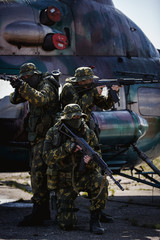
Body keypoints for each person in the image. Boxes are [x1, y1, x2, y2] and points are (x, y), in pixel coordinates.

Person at [43, 103, 109, 234]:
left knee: (101, 181)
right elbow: (47, 157)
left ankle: (95, 220)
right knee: (67, 225)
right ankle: (60, 206)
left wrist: (89, 162)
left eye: (79, 117)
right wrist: (66, 148)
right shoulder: (54, 132)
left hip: (84, 176)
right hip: (64, 180)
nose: (77, 120)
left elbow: (98, 155)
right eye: (73, 118)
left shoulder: (88, 133)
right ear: (66, 118)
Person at [10, 62, 60, 226]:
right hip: (38, 137)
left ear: (35, 75)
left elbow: (42, 99)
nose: (25, 80)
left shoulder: (47, 83)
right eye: (23, 78)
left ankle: (40, 213)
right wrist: (18, 87)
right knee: (37, 174)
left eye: (27, 77)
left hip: (48, 138)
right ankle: (42, 211)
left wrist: (23, 86)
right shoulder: (31, 85)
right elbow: (14, 100)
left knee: (39, 174)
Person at [60, 66, 120, 131]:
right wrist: (92, 93)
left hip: (85, 124)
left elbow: (106, 105)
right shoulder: (69, 87)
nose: (92, 81)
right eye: (90, 79)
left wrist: (112, 92)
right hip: (71, 125)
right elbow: (77, 108)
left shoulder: (90, 88)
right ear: (81, 81)